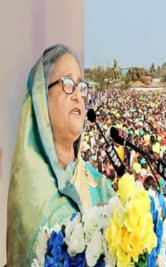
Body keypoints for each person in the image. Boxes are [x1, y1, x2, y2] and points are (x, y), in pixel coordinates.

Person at [7, 44, 115, 265]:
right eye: (67, 85)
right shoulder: (31, 190)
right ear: (41, 99)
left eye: (81, 87)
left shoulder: (96, 182)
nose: (78, 96)